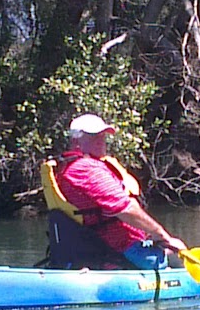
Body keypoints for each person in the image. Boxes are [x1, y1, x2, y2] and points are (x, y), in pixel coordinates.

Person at [54, 113, 188, 270]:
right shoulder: (85, 169)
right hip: (122, 250)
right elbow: (125, 209)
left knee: (174, 247)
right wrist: (161, 235)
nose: (101, 141)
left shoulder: (72, 166)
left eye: (102, 136)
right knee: (177, 249)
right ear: (76, 140)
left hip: (113, 247)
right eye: (93, 136)